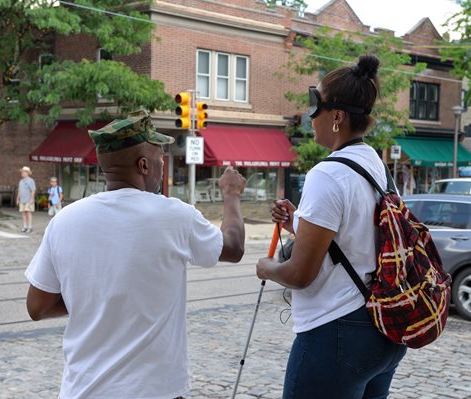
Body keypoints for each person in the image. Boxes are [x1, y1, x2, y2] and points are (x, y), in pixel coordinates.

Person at [25, 110, 246, 399]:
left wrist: (94, 300)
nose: (163, 164)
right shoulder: (174, 215)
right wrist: (231, 194)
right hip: (155, 391)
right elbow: (233, 246)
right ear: (143, 165)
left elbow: (37, 306)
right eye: (159, 158)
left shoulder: (64, 220)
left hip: (83, 391)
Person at [256, 55, 407, 399]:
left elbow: (299, 275)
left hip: (335, 332)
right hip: (381, 328)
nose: (309, 118)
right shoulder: (374, 163)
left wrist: (267, 268)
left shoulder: (327, 174)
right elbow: (354, 238)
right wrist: (298, 221)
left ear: (336, 116)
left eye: (314, 106)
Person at [16, 166, 36, 233]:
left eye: (23, 172)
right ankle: (25, 226)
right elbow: (19, 190)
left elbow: (33, 190)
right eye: (22, 172)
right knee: (23, 213)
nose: (22, 173)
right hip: (22, 199)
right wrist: (17, 199)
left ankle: (30, 227)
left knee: (28, 212)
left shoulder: (31, 180)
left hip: (28, 199)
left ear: (27, 173)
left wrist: (32, 199)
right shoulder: (21, 181)